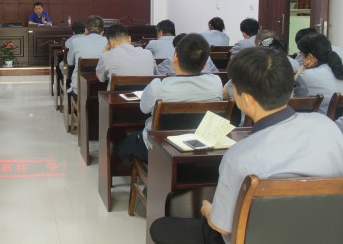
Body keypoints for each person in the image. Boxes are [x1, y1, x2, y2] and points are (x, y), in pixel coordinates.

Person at [150, 46, 343, 244]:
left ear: (248, 99)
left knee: (160, 227)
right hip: (324, 234)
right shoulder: (328, 127)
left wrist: (209, 210)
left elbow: (221, 227)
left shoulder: (239, 157)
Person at [116, 33, 223, 165]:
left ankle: (150, 172)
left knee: (122, 146)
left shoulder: (158, 86)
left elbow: (144, 109)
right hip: (200, 146)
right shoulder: (216, 83)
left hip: (160, 148)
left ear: (175, 57)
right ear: (206, 63)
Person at [294, 33, 343, 115]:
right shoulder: (337, 70)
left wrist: (301, 69)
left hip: (316, 121)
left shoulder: (306, 76)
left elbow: (294, 103)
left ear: (310, 57)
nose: (301, 59)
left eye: (302, 54)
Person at [67, 15, 107, 94]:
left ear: (85, 30)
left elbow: (70, 63)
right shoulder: (108, 42)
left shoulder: (76, 41)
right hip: (103, 89)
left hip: (80, 89)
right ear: (102, 32)